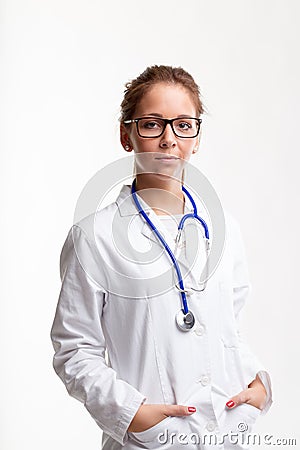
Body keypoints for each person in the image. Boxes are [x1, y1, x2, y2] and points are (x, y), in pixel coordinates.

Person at [51, 65, 273, 450]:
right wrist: (131, 413)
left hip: (228, 433)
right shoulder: (94, 237)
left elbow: (228, 329)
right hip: (151, 442)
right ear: (126, 135)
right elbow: (75, 350)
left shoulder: (224, 228)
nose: (169, 139)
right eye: (153, 124)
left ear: (196, 137)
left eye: (184, 125)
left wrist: (257, 384)